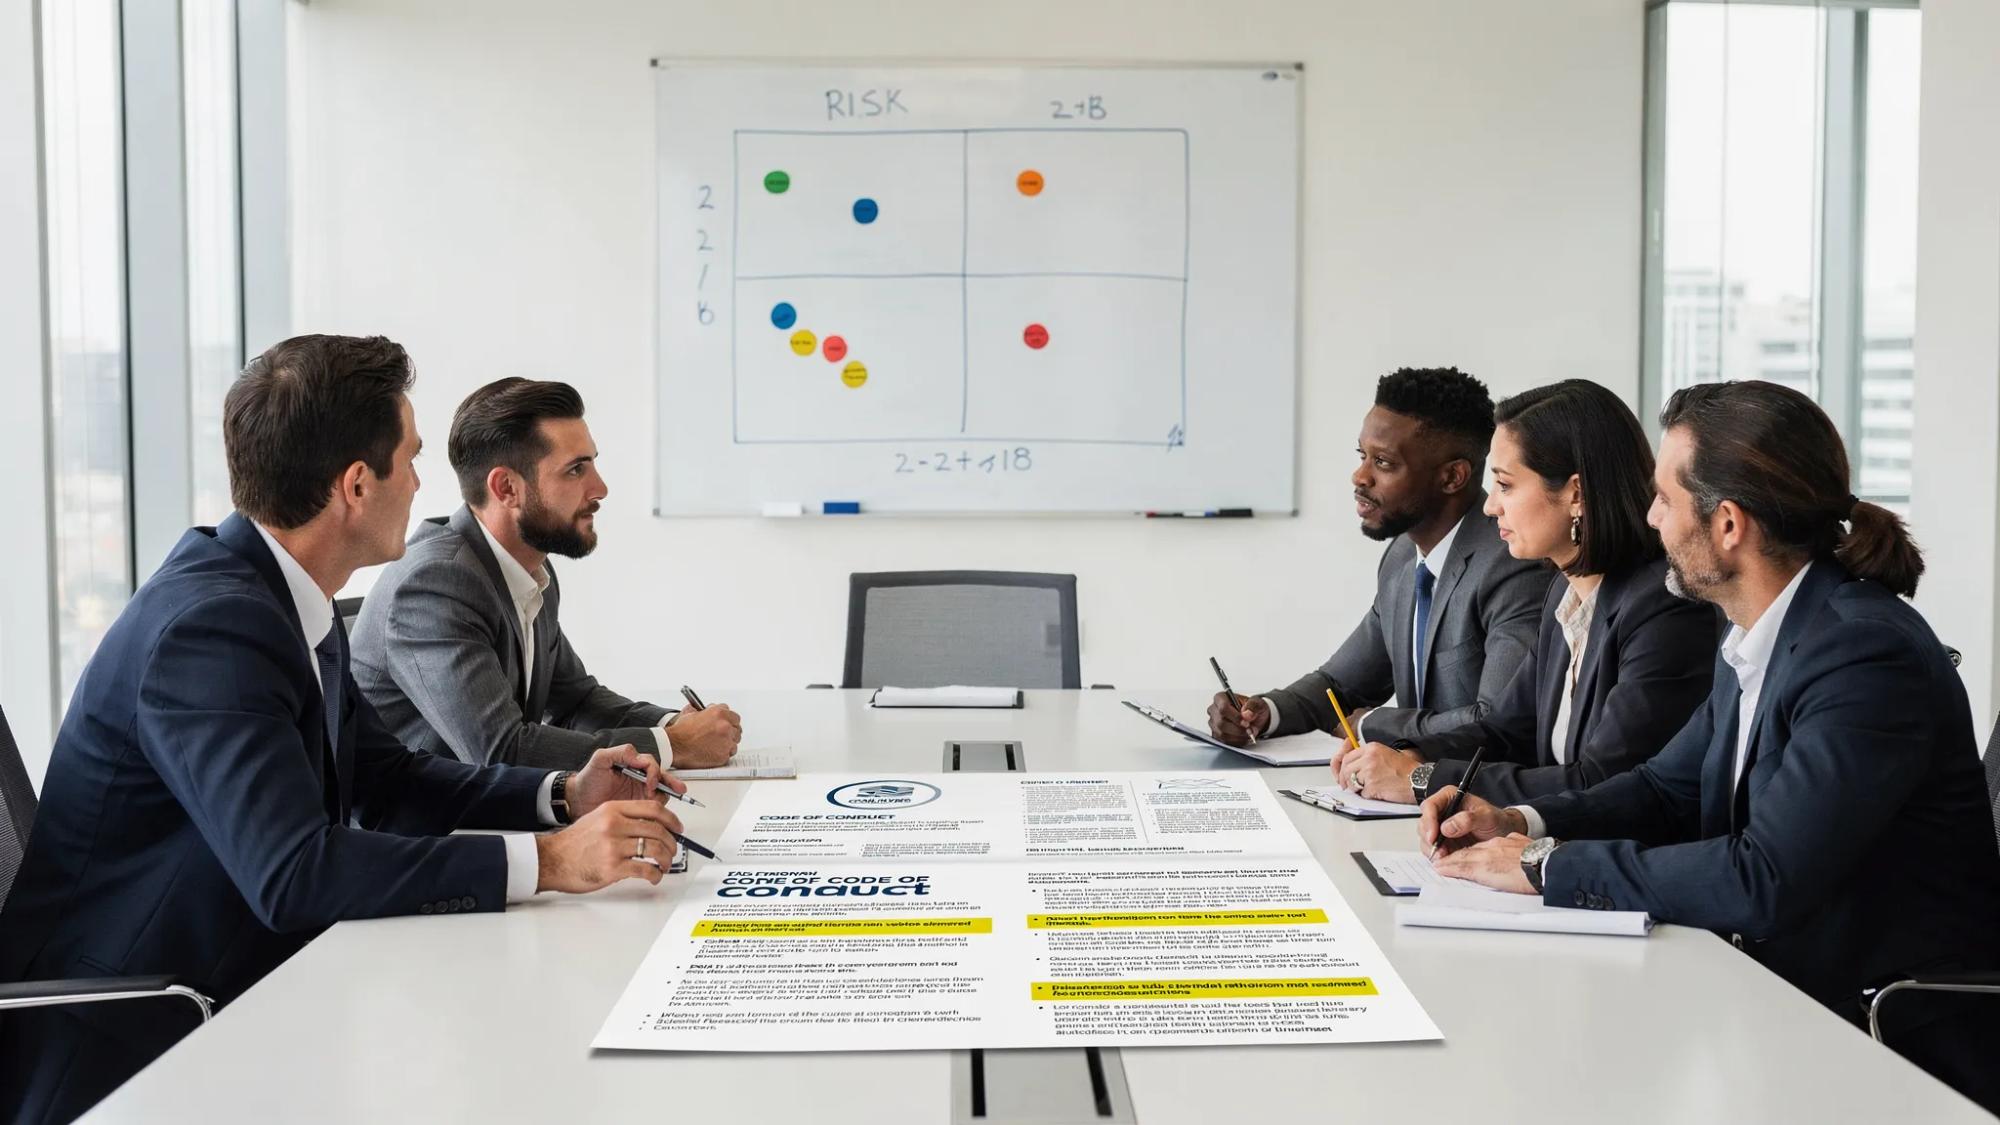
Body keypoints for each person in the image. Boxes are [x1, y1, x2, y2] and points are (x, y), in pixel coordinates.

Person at [0, 336, 687, 1125]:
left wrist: (561, 795)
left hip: (252, 987)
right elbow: (293, 870)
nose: (425, 482)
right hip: (132, 1037)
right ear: (356, 485)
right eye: (413, 458)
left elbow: (385, 777)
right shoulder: (211, 628)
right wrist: (550, 861)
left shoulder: (286, 595)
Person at [1421, 379, 2000, 1111]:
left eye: (1664, 497)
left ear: (1728, 524)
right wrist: (1522, 823)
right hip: (1779, 998)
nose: (1649, 515)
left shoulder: (1861, 655)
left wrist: (1545, 866)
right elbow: (1666, 787)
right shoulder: (1762, 631)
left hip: (1880, 1039)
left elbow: (1763, 876)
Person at [1332, 380, 1719, 804]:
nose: (1490, 505)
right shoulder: (1564, 592)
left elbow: (1604, 780)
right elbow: (1504, 729)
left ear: (1575, 494)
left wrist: (1422, 778)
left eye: (1506, 485)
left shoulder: (1663, 608)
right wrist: (1405, 755)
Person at [350, 377, 741, 770]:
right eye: (575, 470)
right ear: (506, 488)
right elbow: (502, 752)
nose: (599, 488)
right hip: (436, 827)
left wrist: (674, 723)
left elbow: (575, 702)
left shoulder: (529, 569)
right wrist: (673, 745)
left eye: (592, 464)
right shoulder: (435, 584)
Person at [1209, 366, 1550, 747]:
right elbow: (1341, 684)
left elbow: (1495, 720)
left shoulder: (1513, 565)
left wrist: (1374, 725)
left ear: (1453, 477)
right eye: (1362, 455)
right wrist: (1263, 712)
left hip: (1480, 799)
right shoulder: (1403, 557)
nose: (1360, 476)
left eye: (1383, 463)